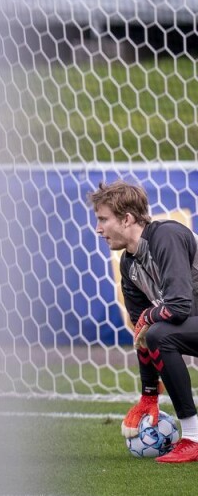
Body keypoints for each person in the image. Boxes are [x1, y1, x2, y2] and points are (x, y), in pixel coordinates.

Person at [88, 180, 198, 463]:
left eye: (103, 219)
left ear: (127, 218)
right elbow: (142, 333)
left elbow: (180, 306)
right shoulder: (129, 264)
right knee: (156, 334)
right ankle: (192, 439)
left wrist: (149, 317)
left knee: (159, 331)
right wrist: (148, 393)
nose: (98, 228)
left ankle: (193, 438)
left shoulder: (167, 236)